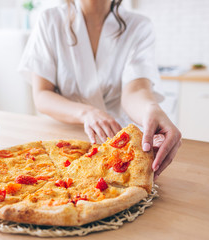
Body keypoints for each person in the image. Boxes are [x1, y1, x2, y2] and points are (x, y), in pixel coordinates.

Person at [19, 0, 181, 180]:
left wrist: (151, 109)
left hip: (117, 144)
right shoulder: (50, 20)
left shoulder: (139, 26)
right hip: (63, 142)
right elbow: (42, 95)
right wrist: (86, 113)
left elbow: (135, 90)